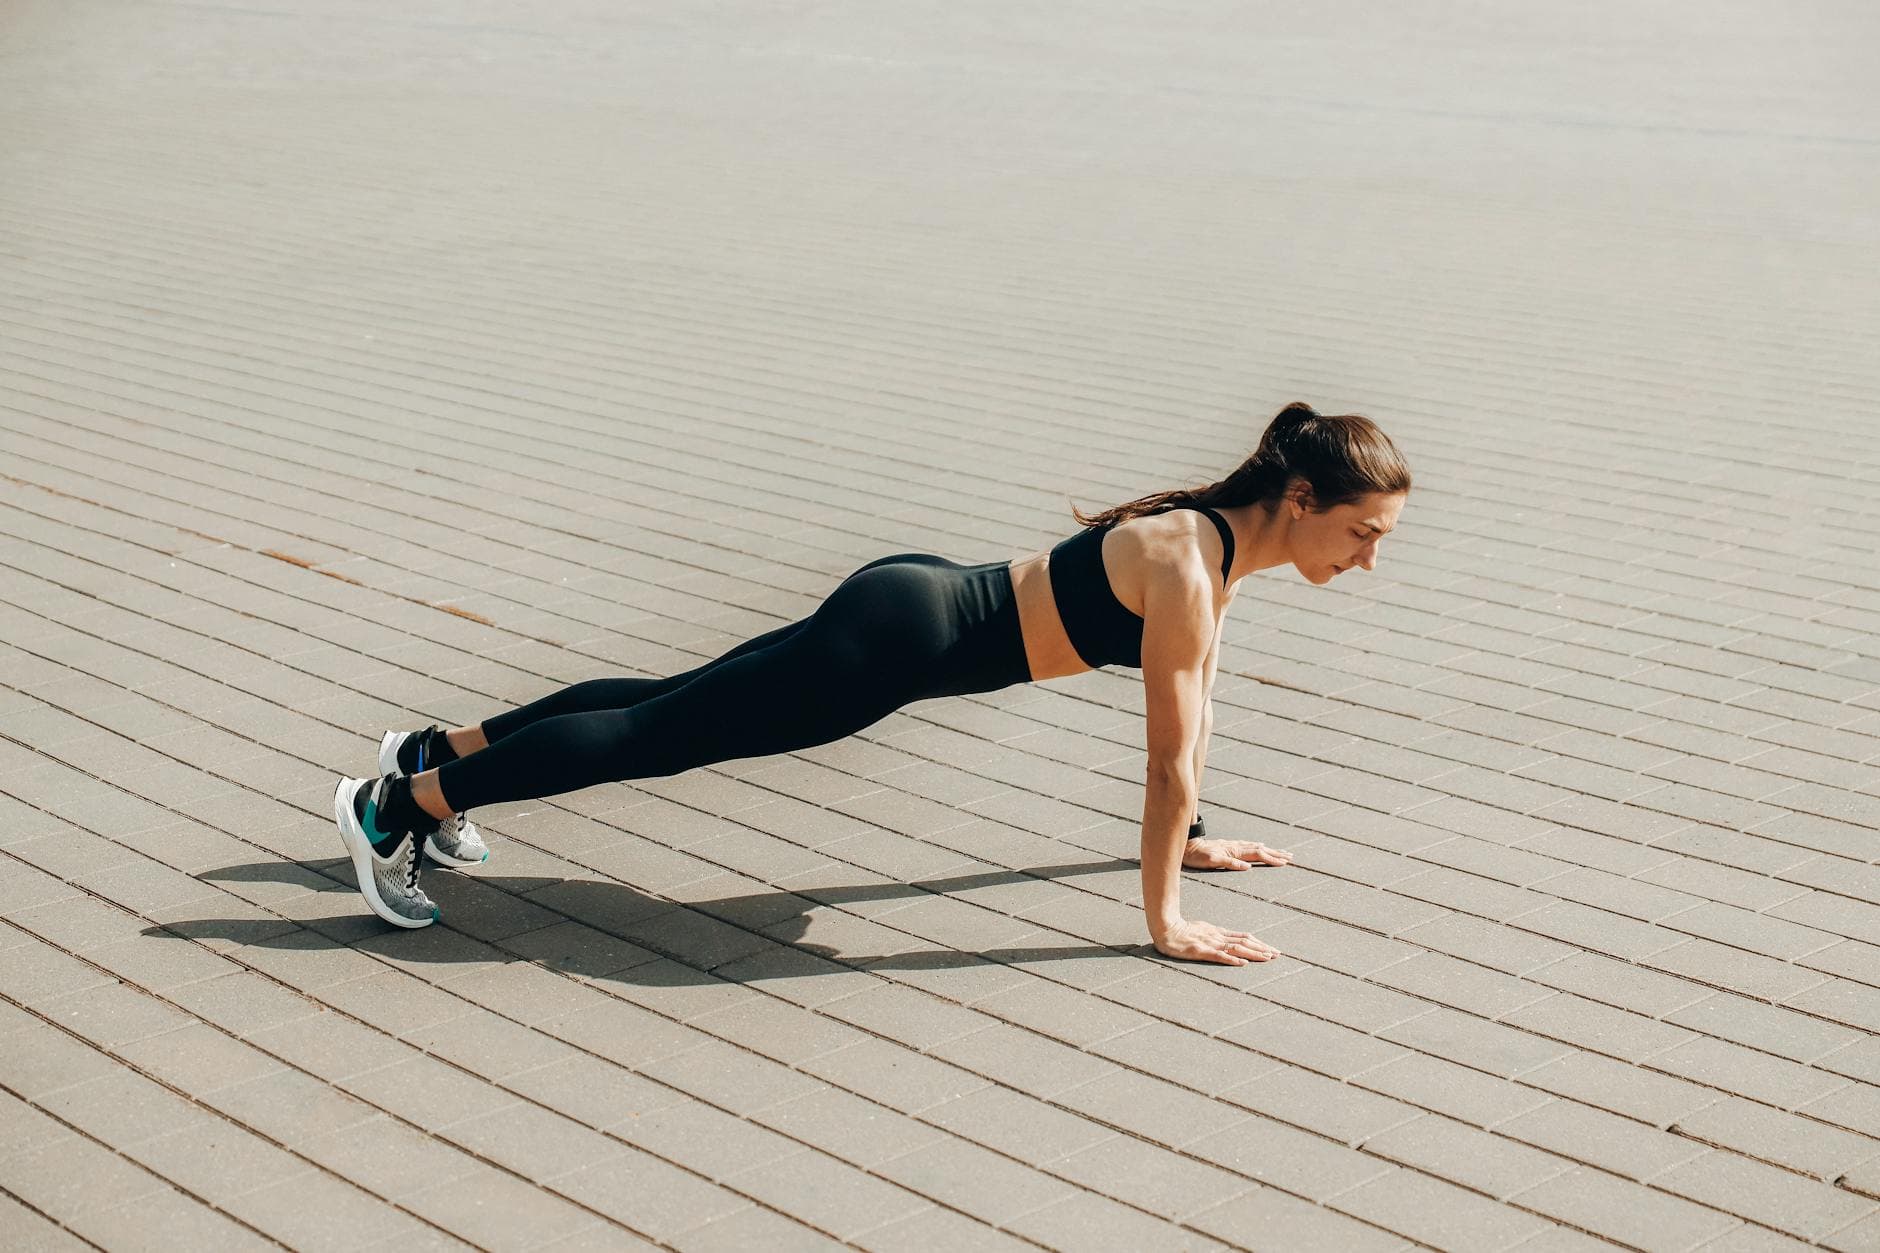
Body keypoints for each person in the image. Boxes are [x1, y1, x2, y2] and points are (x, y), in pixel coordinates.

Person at [333, 402, 1411, 965]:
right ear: (1304, 496)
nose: (1368, 560)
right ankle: (397, 807)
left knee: (670, 697)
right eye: (1361, 533)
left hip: (909, 598)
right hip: (893, 646)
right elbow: (1169, 754)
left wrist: (1189, 837)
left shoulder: (1210, 551)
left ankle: (437, 751)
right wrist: (1165, 916)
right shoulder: (1187, 565)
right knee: (657, 734)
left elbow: (1194, 728)